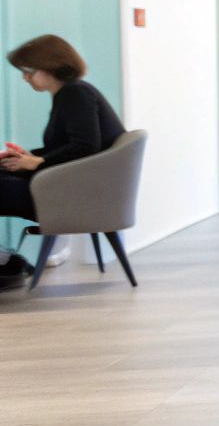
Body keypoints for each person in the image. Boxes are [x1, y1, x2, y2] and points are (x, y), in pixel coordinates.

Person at [1, 35, 126, 289]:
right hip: (72, 188)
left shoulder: (75, 94)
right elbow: (67, 149)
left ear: (49, 66)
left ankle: (5, 263)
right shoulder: (70, 95)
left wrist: (37, 162)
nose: (25, 78)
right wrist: (29, 158)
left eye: (28, 71)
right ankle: (6, 262)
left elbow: (84, 147)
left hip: (72, 195)